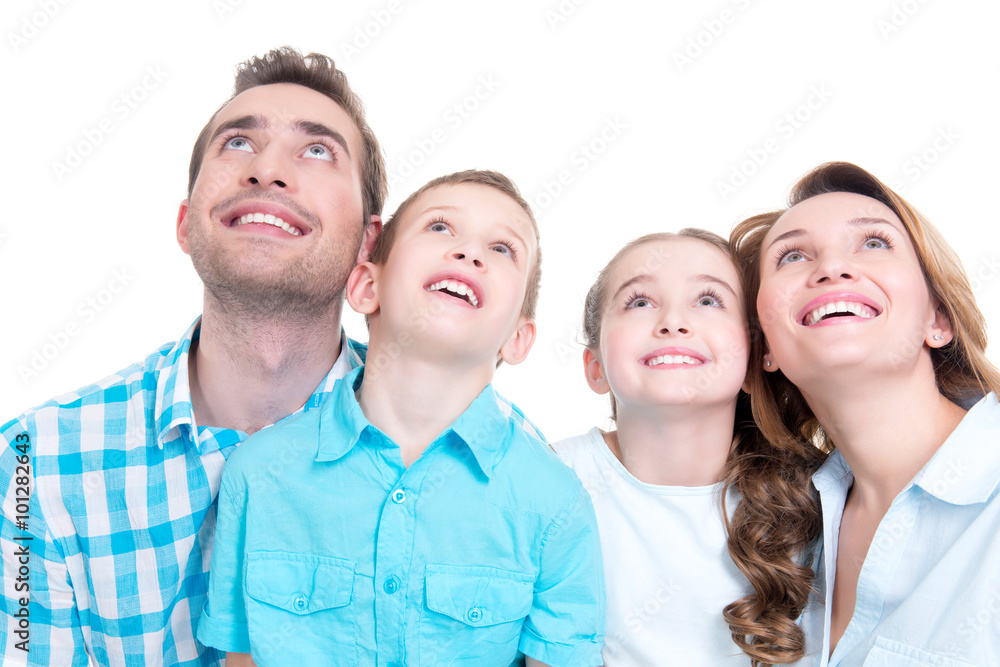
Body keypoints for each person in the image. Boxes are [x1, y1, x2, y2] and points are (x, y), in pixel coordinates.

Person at [0, 47, 387, 666]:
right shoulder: (31, 466)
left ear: (369, 243)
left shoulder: (475, 447)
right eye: (237, 143)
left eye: (318, 150)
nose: (267, 170)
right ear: (186, 223)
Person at [196, 170, 605, 667]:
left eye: (503, 249)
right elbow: (241, 656)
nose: (469, 252)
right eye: (439, 228)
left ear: (517, 338)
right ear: (368, 285)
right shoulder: (258, 475)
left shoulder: (553, 503)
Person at [730, 161, 1000, 666]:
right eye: (791, 255)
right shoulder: (779, 538)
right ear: (766, 348)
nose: (831, 268)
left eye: (873, 243)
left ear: (936, 318)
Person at [550, 230, 823, 665]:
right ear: (596, 366)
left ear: (754, 361)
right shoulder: (548, 480)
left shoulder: (816, 498)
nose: (673, 322)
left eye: (708, 300)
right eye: (639, 302)